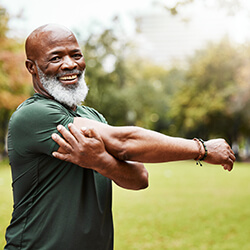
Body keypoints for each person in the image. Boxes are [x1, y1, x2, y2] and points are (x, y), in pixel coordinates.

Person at [4, 23, 235, 250]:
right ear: (31, 66)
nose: (70, 64)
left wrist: (100, 161)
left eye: (76, 55)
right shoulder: (33, 115)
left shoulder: (91, 116)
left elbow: (139, 178)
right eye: (55, 58)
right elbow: (124, 142)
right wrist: (201, 149)